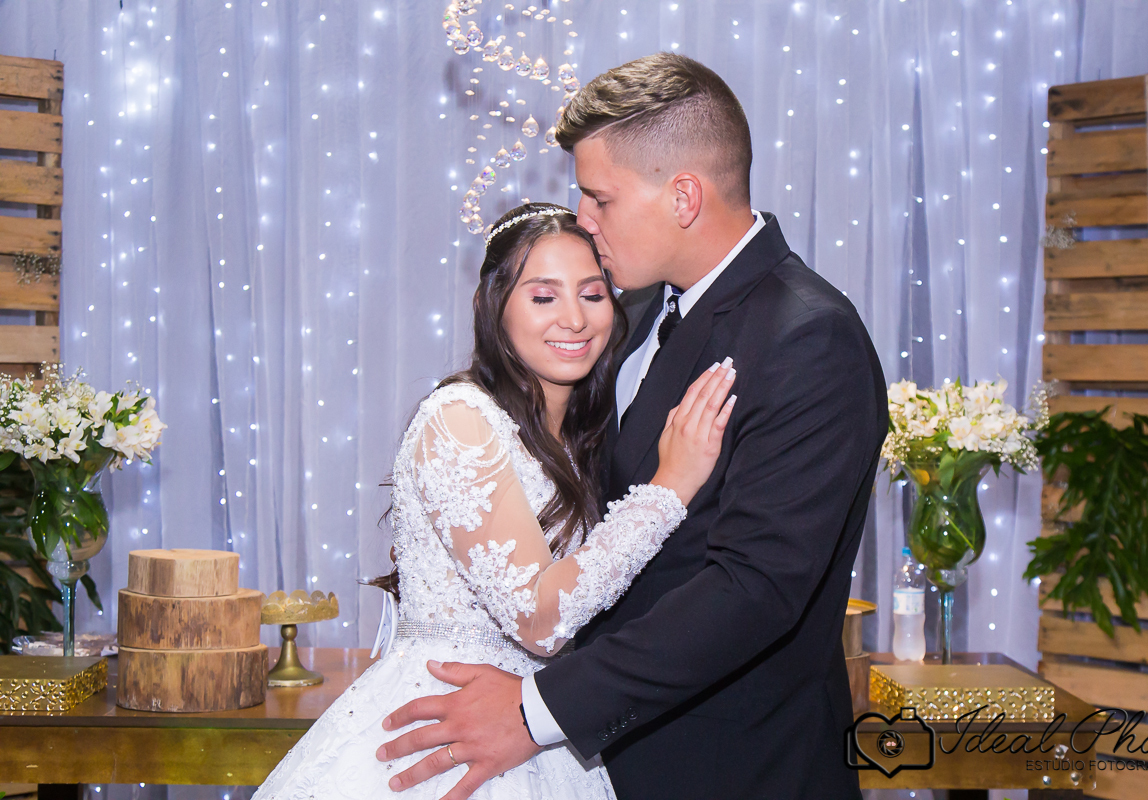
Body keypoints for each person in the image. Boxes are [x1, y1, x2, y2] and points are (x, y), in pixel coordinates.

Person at [376, 54, 888, 800]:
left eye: (600, 198)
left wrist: (536, 713)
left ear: (683, 196)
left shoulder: (807, 335)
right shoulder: (637, 311)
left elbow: (752, 589)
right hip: (610, 761)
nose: (583, 220)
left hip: (736, 768)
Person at [251, 202, 736, 800]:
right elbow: (541, 620)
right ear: (494, 306)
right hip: (450, 720)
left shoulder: (581, 435)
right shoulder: (459, 420)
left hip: (534, 723)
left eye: (592, 294)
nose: (574, 318)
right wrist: (670, 487)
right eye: (543, 296)